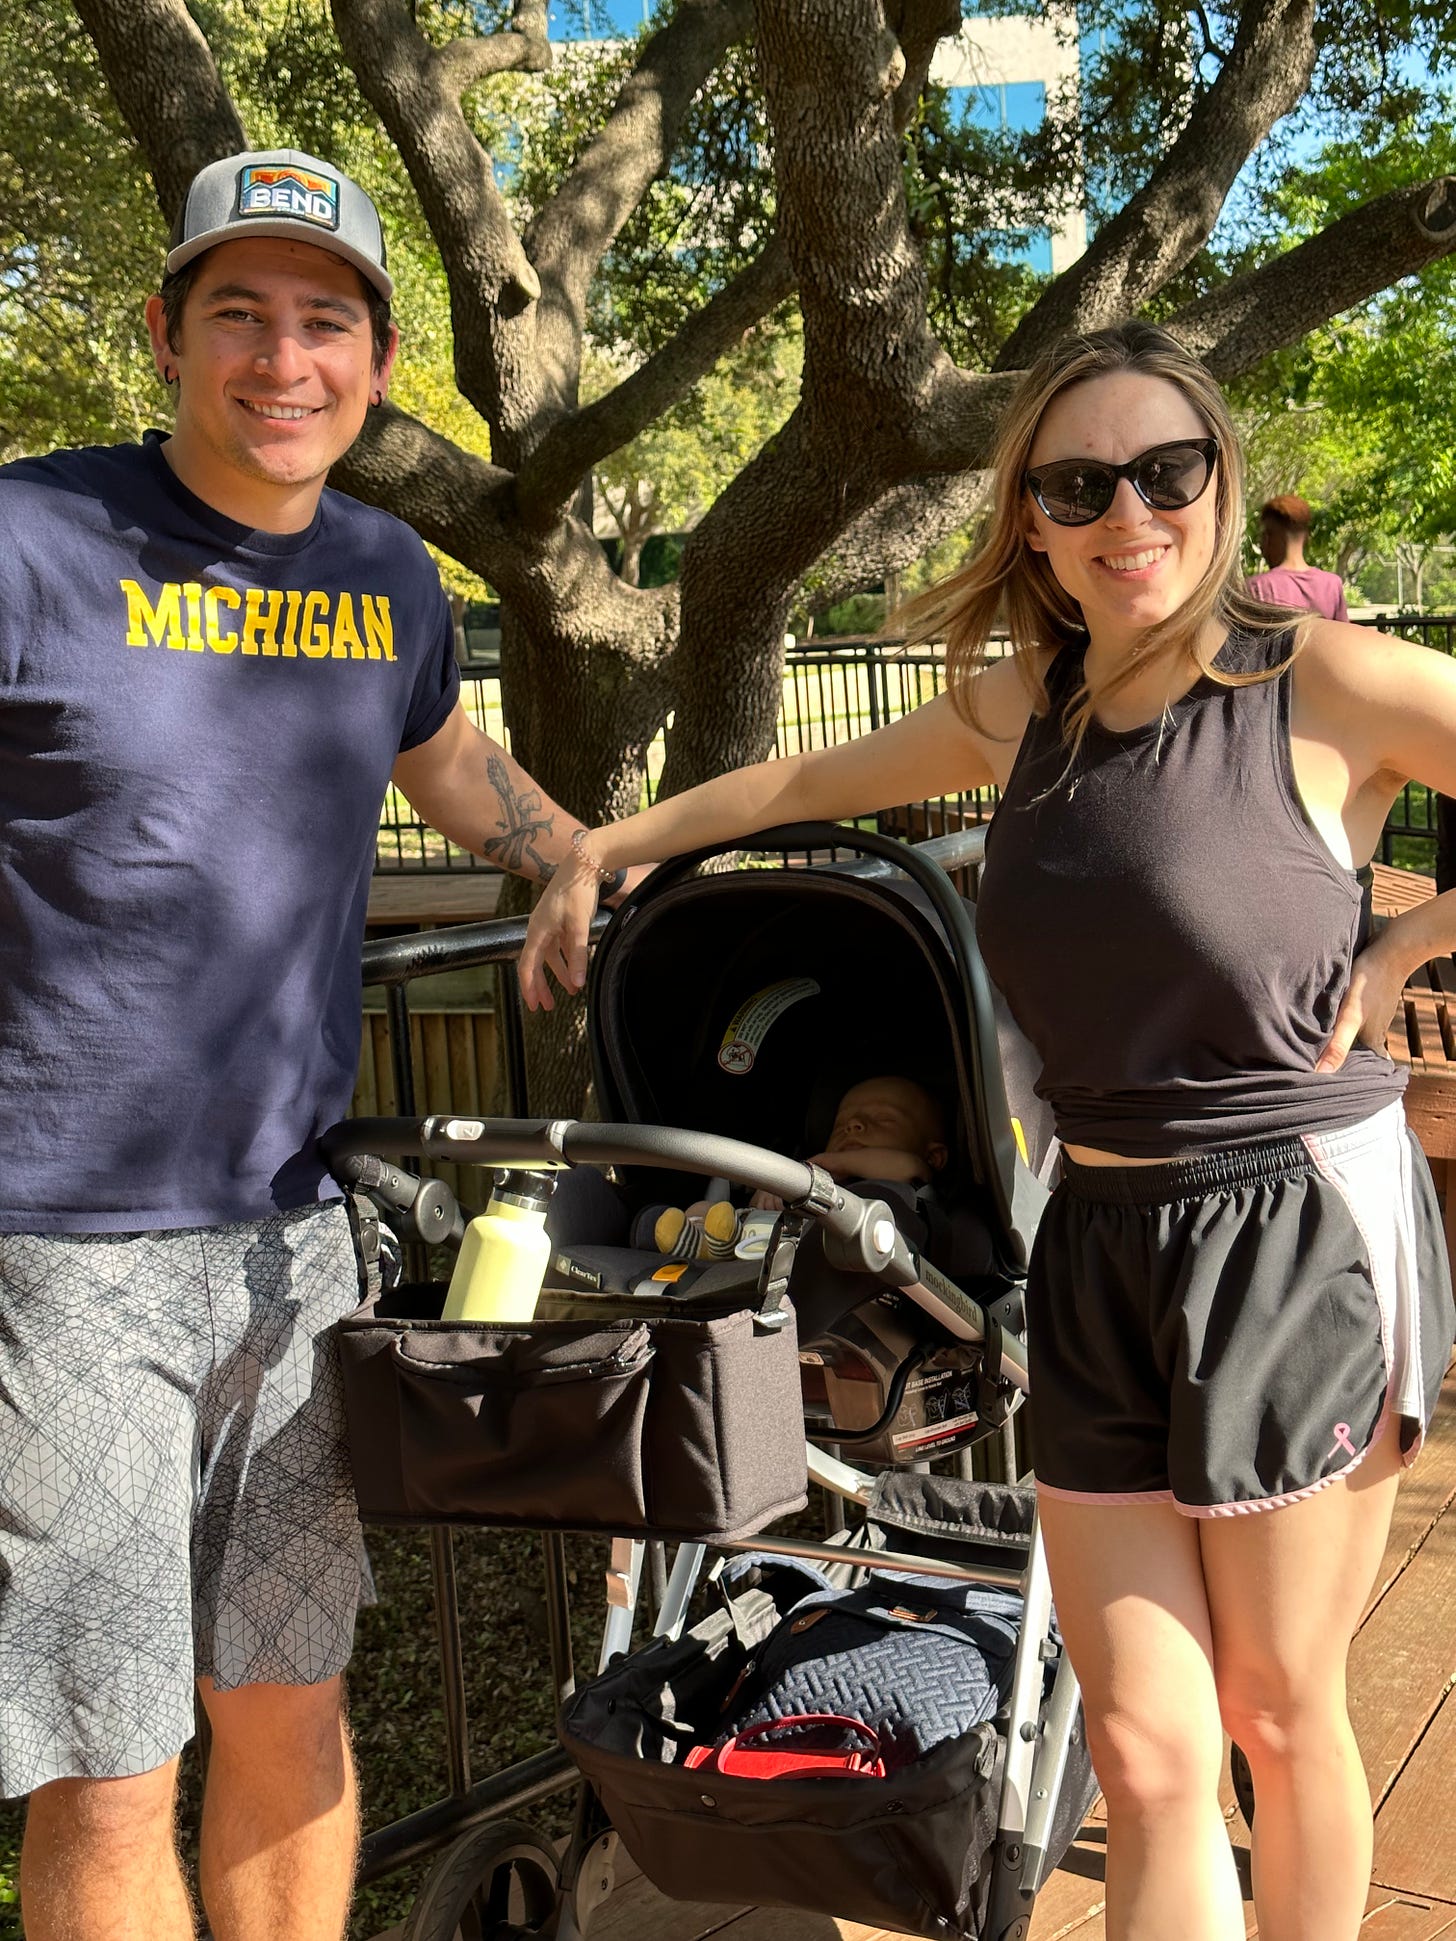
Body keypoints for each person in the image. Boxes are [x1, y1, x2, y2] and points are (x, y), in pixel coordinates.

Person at [520, 319, 1456, 1941]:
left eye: (1167, 471)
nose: (1129, 515)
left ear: (1219, 482)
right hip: (1088, 1235)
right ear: (1028, 518)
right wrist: (601, 846)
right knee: (1150, 1747)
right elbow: (787, 786)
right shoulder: (1023, 712)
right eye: (1079, 483)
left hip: (1294, 1228)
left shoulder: (1327, 685)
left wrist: (1399, 946)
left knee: (1277, 1716)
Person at [0, 149, 629, 1941]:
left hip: (291, 1241)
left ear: (377, 354)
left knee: (286, 1708)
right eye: (241, 317)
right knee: (107, 1763)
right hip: (64, 1252)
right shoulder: (31, 541)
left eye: (326, 322)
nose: (287, 361)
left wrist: (570, 851)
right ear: (167, 336)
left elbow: (451, 767)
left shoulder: (383, 572)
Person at [652, 1073, 950, 1252]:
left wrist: (815, 1169)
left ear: (933, 1156)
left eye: (883, 1119)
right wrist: (768, 1192)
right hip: (757, 1239)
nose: (854, 1125)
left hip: (824, 1255)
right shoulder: (809, 1169)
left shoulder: (912, 1182)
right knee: (701, 1211)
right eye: (841, 1123)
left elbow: (907, 1166)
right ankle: (698, 1244)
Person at [1247, 491, 1349, 620]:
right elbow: (1343, 636)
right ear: (1306, 537)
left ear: (1268, 537)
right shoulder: (1333, 585)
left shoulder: (1257, 588)